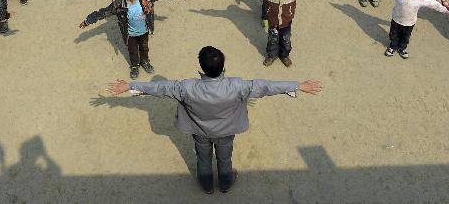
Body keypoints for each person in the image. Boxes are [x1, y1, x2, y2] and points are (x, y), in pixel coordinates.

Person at [105, 46, 323, 194]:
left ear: (201, 68)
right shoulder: (237, 85)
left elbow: (159, 88)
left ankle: (207, 185)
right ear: (223, 67)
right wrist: (298, 85)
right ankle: (226, 183)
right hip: (226, 132)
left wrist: (130, 85)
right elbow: (266, 86)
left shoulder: (186, 87)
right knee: (225, 158)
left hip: (200, 132)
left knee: (202, 158)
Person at [80, 0, 189, 79]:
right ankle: (134, 66)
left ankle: (145, 61)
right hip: (130, 34)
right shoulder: (118, 5)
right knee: (132, 51)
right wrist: (88, 21)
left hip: (144, 31)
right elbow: (103, 13)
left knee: (144, 48)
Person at [225, 0, 336, 66]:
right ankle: (272, 55)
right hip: (272, 22)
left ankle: (284, 55)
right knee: (272, 40)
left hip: (286, 23)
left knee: (286, 41)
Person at [374, 0, 449, 59]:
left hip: (409, 23)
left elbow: (433, 3)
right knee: (393, 34)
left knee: (405, 37)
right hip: (396, 19)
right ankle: (393, 47)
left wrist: (444, 10)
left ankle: (402, 48)